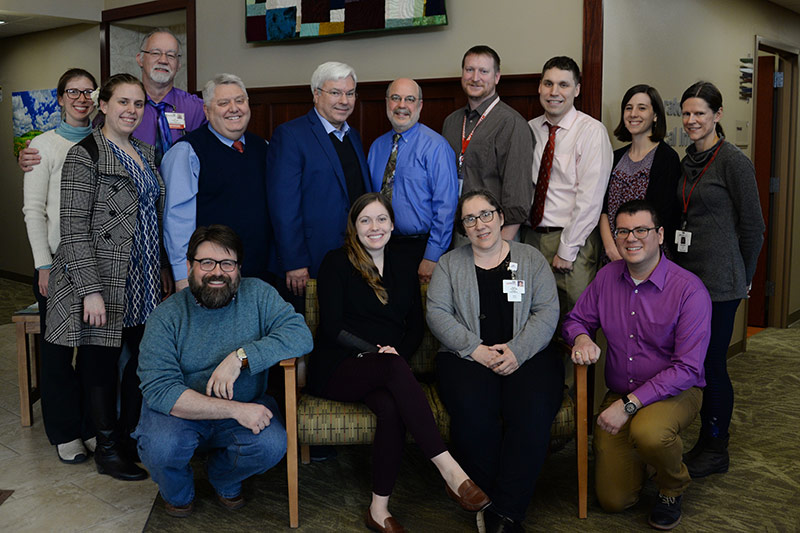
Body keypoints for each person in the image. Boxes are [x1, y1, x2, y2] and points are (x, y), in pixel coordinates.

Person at [309, 193, 489, 533]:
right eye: (365, 220)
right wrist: (380, 356)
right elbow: (332, 328)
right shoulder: (336, 262)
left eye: (381, 219)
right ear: (354, 227)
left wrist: (395, 360)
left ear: (392, 224)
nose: (374, 227)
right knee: (392, 369)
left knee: (391, 409)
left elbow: (416, 328)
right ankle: (450, 469)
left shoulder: (404, 264)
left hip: (386, 369)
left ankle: (378, 510)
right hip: (339, 366)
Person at [135, 225, 312, 517]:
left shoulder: (258, 295)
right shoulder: (165, 316)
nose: (217, 272)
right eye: (206, 263)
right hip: (179, 416)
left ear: (238, 269)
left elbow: (300, 335)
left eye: (227, 263)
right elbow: (160, 390)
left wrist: (240, 357)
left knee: (272, 445)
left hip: (243, 407)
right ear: (190, 266)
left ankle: (224, 478)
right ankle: (178, 493)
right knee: (161, 448)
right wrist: (235, 410)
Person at [45, 73, 169, 481]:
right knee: (99, 364)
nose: (131, 110)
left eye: (138, 104)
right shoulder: (87, 155)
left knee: (142, 362)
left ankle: (129, 436)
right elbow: (73, 227)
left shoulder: (147, 153)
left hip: (145, 280)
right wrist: (90, 292)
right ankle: (107, 448)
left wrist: (165, 268)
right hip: (102, 280)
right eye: (123, 102)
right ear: (104, 106)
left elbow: (154, 217)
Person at [563, 200, 712, 530]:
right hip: (620, 391)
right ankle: (647, 461)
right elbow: (575, 320)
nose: (632, 238)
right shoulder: (606, 278)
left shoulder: (689, 290)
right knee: (614, 501)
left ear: (659, 235)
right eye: (623, 231)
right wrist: (581, 338)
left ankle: (672, 485)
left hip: (675, 393)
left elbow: (687, 368)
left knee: (650, 432)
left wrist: (628, 406)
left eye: (641, 230)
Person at [427, 190, 563, 533]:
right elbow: (437, 314)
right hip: (467, 358)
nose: (479, 224)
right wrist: (475, 348)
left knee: (531, 414)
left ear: (501, 217)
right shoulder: (448, 264)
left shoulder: (530, 259)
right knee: (474, 414)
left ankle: (505, 512)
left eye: (486, 214)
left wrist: (518, 350)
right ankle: (490, 501)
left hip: (529, 355)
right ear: (463, 228)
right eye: (470, 219)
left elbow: (547, 311)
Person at [674, 81, 765, 478]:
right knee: (691, 363)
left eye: (700, 113)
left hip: (720, 284)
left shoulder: (733, 162)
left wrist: (744, 277)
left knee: (711, 364)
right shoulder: (686, 161)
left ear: (717, 115)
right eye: (687, 113)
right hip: (687, 280)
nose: (693, 121)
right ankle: (699, 440)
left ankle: (716, 445)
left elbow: (755, 227)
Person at [22, 68, 98, 463]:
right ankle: (65, 433)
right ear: (60, 98)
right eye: (74, 92)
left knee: (92, 353)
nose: (82, 98)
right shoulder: (42, 146)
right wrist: (43, 265)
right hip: (58, 266)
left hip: (98, 264)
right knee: (57, 353)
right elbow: (34, 212)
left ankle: (89, 426)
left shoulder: (105, 141)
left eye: (89, 91)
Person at [18, 28, 205, 171]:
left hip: (181, 209)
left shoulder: (196, 108)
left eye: (171, 55)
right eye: (155, 53)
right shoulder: (117, 107)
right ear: (140, 59)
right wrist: (39, 152)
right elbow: (87, 147)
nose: (163, 60)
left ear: (178, 64)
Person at [267, 61, 371, 310]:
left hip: (352, 256)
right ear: (316, 94)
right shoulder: (290, 135)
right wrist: (294, 261)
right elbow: (283, 206)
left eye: (350, 93)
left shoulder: (353, 136)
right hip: (309, 260)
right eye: (335, 92)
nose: (344, 101)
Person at [162, 73, 271, 291]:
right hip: (212, 276)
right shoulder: (187, 152)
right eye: (223, 103)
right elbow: (176, 220)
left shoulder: (265, 148)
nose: (234, 108)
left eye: (240, 101)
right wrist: (184, 275)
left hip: (261, 273)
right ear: (207, 110)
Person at [523, 56, 613, 315]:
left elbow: (591, 198)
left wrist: (567, 248)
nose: (554, 92)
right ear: (539, 87)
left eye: (563, 85)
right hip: (529, 238)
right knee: (532, 316)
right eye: (548, 83)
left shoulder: (591, 131)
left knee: (574, 321)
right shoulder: (528, 130)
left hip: (571, 240)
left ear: (577, 89)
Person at [367, 78, 458, 284]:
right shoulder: (377, 147)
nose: (402, 106)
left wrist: (432, 255)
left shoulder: (436, 147)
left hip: (420, 248)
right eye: (396, 98)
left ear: (420, 105)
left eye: (409, 99)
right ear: (387, 102)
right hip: (379, 246)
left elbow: (446, 207)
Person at [441, 45, 534, 241]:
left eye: (484, 71)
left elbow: (517, 195)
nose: (475, 78)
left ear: (497, 77)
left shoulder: (512, 123)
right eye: (469, 70)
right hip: (456, 230)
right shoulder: (451, 122)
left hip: (495, 234)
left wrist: (500, 248)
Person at [599, 85, 681, 264]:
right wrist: (611, 249)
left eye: (642, 108)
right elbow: (603, 208)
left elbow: (661, 217)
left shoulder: (667, 158)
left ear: (656, 115)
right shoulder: (615, 156)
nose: (633, 114)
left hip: (648, 257)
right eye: (628, 108)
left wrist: (631, 251)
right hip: (612, 255)